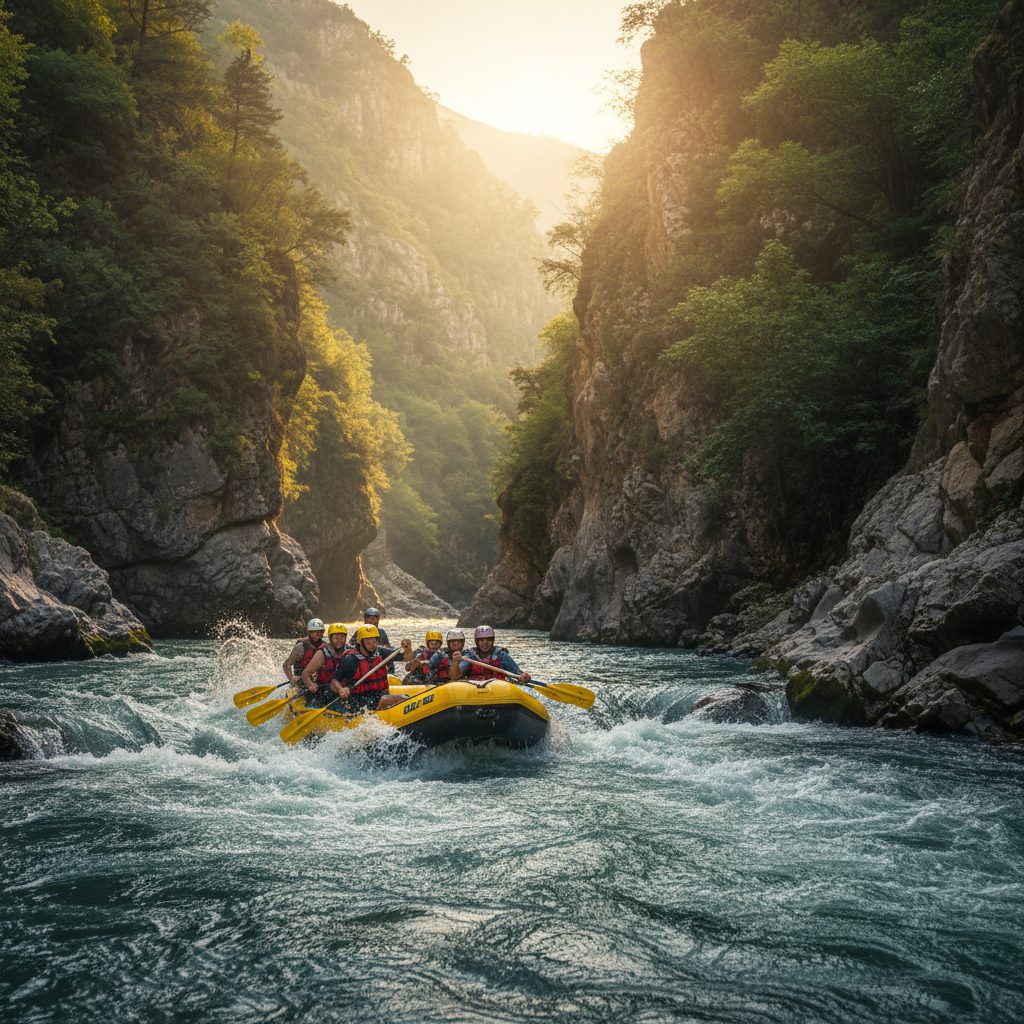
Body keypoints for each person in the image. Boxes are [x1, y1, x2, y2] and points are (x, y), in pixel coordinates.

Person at [329, 625, 411, 712]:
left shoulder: (380, 652)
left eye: (374, 642)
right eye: (368, 642)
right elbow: (334, 681)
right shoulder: (351, 660)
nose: (372, 645)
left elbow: (406, 658)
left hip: (380, 695)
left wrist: (408, 648)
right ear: (361, 643)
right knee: (394, 699)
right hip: (361, 701)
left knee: (404, 697)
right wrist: (341, 689)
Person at [459, 625, 531, 686]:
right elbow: (457, 674)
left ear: (493, 641)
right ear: (476, 642)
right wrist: (455, 662)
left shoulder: (501, 655)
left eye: (488, 640)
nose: (485, 643)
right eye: (481, 640)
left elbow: (517, 672)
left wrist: (524, 676)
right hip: (474, 687)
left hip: (498, 688)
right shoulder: (470, 656)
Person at [300, 623, 349, 707]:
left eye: (342, 637)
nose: (339, 640)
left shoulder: (349, 651)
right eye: (336, 638)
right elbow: (305, 674)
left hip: (343, 690)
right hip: (324, 690)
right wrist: (310, 684)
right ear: (330, 638)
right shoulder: (322, 653)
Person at [282, 618, 325, 685]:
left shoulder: (326, 647)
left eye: (317, 632)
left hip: (317, 681)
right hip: (300, 681)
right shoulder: (300, 647)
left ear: (322, 632)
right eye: (312, 632)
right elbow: (286, 665)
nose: (314, 635)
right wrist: (292, 679)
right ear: (308, 632)